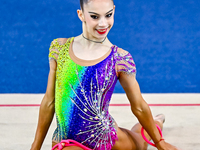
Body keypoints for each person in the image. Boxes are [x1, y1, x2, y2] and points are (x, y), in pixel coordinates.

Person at [31, 0, 180, 150]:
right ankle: (156, 122)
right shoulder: (60, 48)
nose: (103, 24)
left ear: (114, 10)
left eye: (108, 15)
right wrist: (35, 146)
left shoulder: (120, 59)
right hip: (68, 143)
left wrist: (160, 143)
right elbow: (49, 102)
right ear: (81, 14)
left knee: (139, 144)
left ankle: (156, 122)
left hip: (106, 139)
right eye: (95, 17)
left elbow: (139, 107)